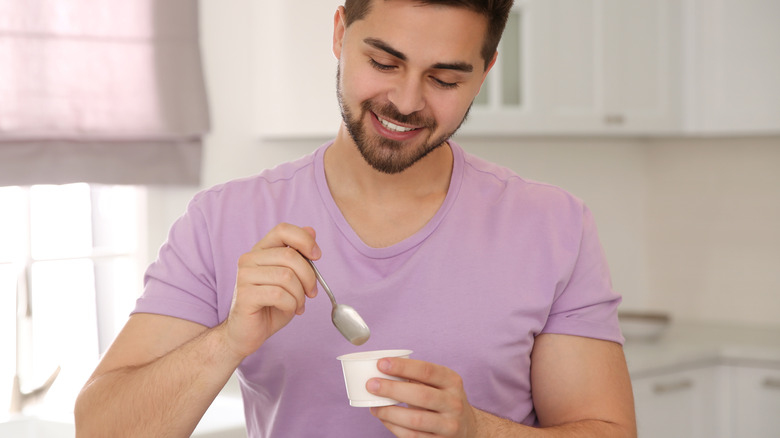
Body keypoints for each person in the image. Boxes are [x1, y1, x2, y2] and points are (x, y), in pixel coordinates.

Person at [75, 0, 637, 436]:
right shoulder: (224, 220)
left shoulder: (553, 226)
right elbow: (100, 429)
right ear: (341, 33)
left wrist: (476, 430)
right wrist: (227, 341)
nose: (408, 101)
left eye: (445, 79)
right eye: (384, 62)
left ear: (486, 70)